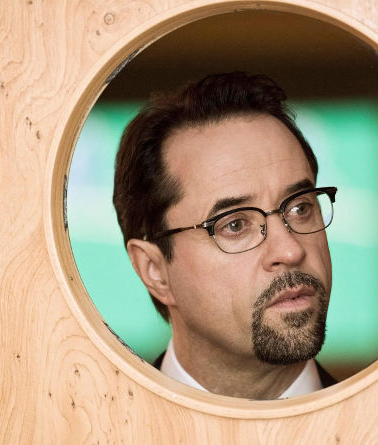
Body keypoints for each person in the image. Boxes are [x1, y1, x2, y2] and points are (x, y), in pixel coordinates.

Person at [112, 72, 338, 399]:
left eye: (300, 208)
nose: (290, 251)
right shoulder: (87, 425)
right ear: (155, 270)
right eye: (234, 225)